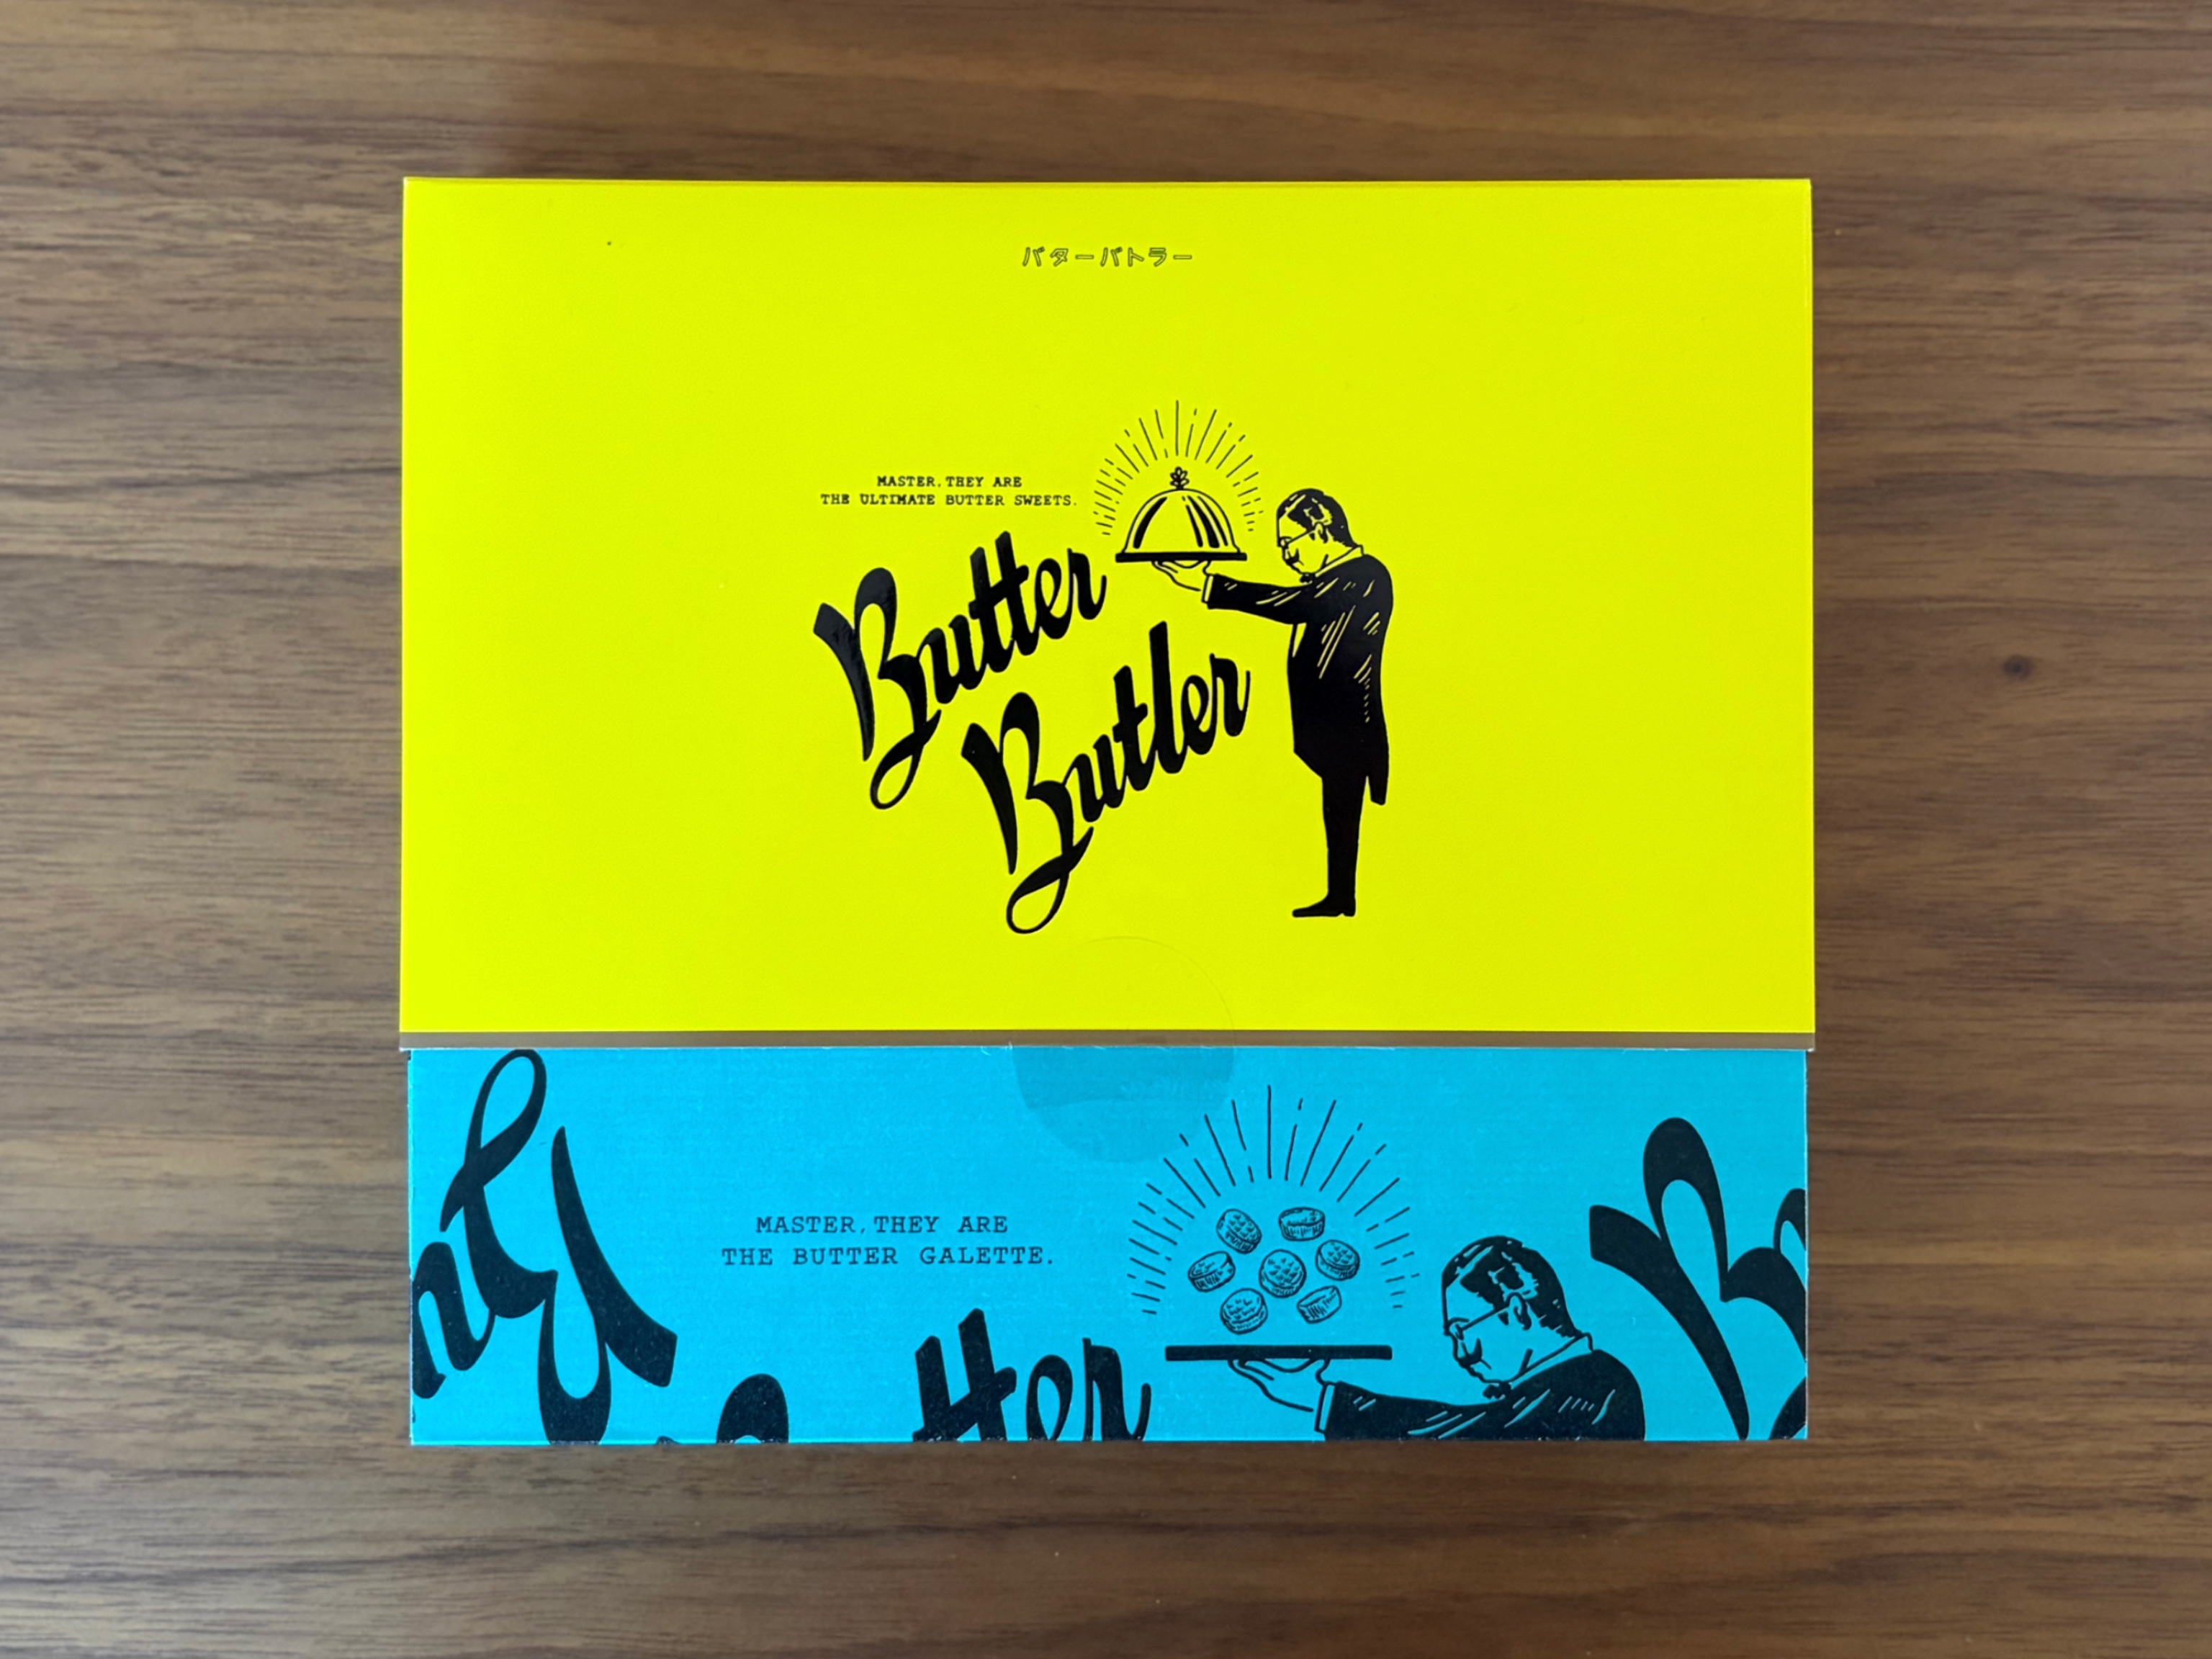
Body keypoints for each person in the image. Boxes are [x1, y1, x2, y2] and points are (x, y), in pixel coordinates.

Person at [1159, 487, 1390, 917]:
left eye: (1289, 542)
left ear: (1319, 528)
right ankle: (1340, 896)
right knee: (1337, 814)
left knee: (1342, 814)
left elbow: (1297, 605)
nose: (1286, 555)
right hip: (1331, 729)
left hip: (1348, 729)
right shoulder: (1334, 581)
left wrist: (1210, 585)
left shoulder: (1364, 575)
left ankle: (1341, 897)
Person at [1231, 1236, 1645, 1440]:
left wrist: (1323, 1399)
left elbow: (1455, 1432)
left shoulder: (1595, 1384)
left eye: (1463, 1330)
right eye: (1452, 1335)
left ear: (1517, 1311)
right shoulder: (1551, 1388)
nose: (1460, 1353)